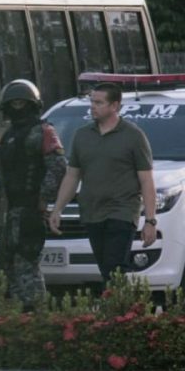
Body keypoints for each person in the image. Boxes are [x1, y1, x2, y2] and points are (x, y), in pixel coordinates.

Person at [50, 82, 156, 285]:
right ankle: (120, 308)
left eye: (99, 102)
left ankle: (120, 312)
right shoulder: (82, 135)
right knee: (106, 268)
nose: (93, 106)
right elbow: (72, 176)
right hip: (92, 212)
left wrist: (150, 220)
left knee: (114, 266)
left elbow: (146, 180)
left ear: (115, 106)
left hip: (122, 211)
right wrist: (58, 209)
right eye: (92, 102)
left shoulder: (133, 136)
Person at [0, 79, 67, 311]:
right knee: (6, 265)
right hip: (10, 212)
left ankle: (36, 317)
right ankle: (15, 317)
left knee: (26, 263)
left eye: (22, 102)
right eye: (13, 103)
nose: (17, 107)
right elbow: (3, 174)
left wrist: (43, 198)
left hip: (30, 212)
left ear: (32, 104)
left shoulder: (44, 131)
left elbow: (58, 166)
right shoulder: (9, 135)